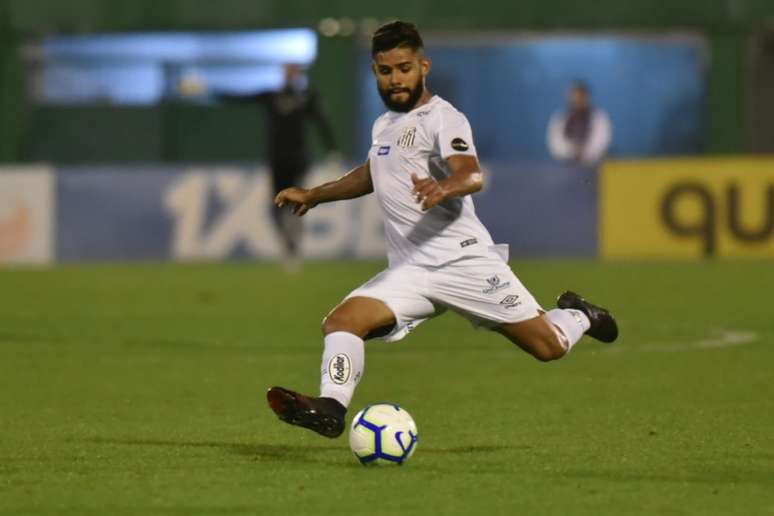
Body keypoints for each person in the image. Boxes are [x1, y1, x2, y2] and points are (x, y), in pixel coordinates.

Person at [266, 21, 619, 438]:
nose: (395, 79)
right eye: (385, 70)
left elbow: (471, 176)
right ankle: (330, 408)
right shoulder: (385, 125)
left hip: (463, 261)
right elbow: (370, 174)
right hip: (413, 270)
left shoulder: (444, 119)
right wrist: (314, 195)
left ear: (423, 66)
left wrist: (442, 188)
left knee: (549, 347)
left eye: (404, 68)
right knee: (342, 321)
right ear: (375, 71)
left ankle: (579, 314)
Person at [186, 63, 338, 270]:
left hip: (299, 159)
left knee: (298, 202)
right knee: (276, 206)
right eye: (287, 71)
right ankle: (288, 246)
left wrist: (332, 150)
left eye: (294, 71)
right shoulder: (271, 96)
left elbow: (322, 122)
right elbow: (238, 98)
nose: (290, 75)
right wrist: (207, 90)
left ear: (299, 74)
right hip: (276, 159)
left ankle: (294, 248)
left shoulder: (306, 98)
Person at [547, 81, 612, 166]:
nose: (577, 99)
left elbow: (602, 142)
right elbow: (555, 143)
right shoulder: (560, 118)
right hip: (565, 166)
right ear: (569, 97)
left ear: (587, 97)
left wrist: (584, 153)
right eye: (574, 96)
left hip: (593, 166)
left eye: (581, 96)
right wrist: (572, 152)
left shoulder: (599, 118)